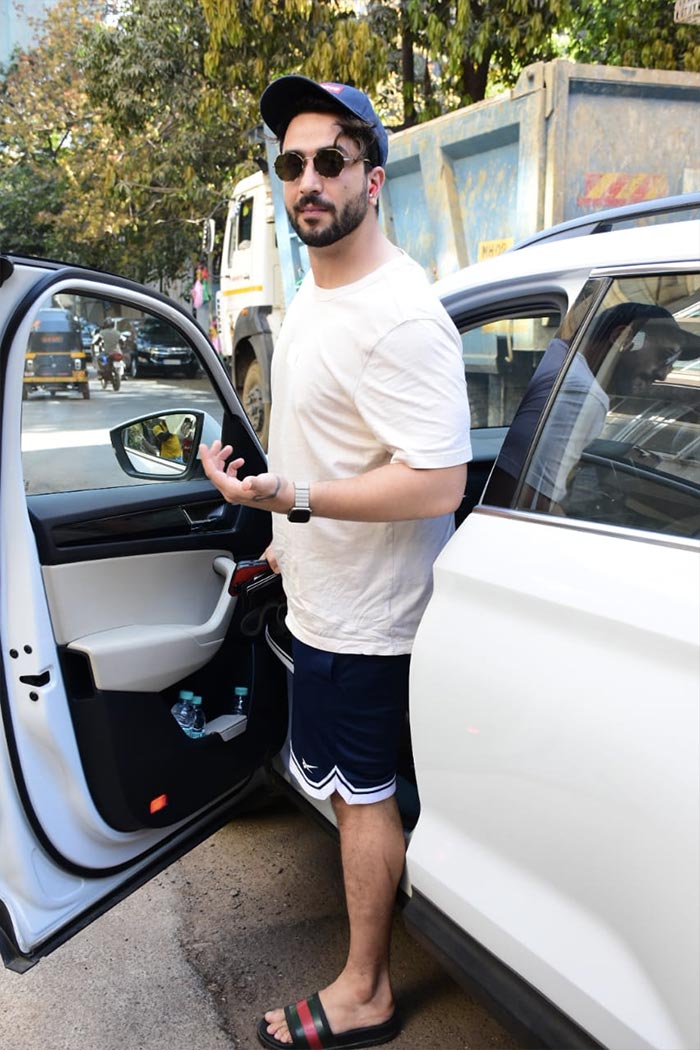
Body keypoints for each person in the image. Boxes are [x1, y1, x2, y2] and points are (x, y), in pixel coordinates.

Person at [199, 76, 471, 1050]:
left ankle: (366, 990)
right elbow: (333, 448)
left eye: (328, 161)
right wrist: (279, 531)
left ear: (371, 173)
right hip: (318, 598)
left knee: (365, 801)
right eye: (290, 164)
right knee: (349, 792)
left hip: (371, 620)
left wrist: (298, 500)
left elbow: (437, 481)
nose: (305, 181)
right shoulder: (316, 293)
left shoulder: (398, 316)